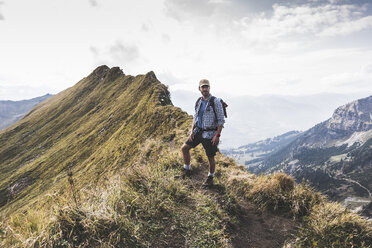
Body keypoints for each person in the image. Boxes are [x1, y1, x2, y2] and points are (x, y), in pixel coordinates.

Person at [179, 79, 225, 187]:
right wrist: (191, 132)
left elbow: (221, 120)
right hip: (197, 132)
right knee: (184, 148)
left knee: (210, 157)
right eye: (203, 87)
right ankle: (187, 170)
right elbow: (195, 118)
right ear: (199, 88)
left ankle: (210, 178)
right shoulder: (199, 101)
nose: (205, 89)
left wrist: (217, 135)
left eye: (206, 87)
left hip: (210, 134)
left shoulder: (215, 101)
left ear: (209, 88)